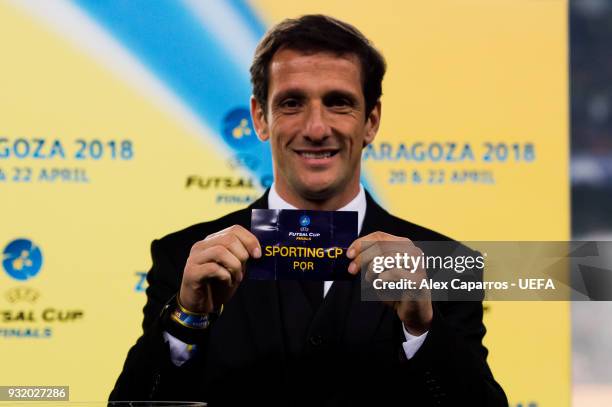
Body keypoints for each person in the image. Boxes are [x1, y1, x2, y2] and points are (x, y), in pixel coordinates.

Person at [110, 14, 507, 406]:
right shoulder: (185, 259)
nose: (316, 128)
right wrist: (187, 319)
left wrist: (423, 328)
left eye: (338, 103)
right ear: (260, 118)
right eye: (292, 103)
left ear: (371, 121)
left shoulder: (447, 263)